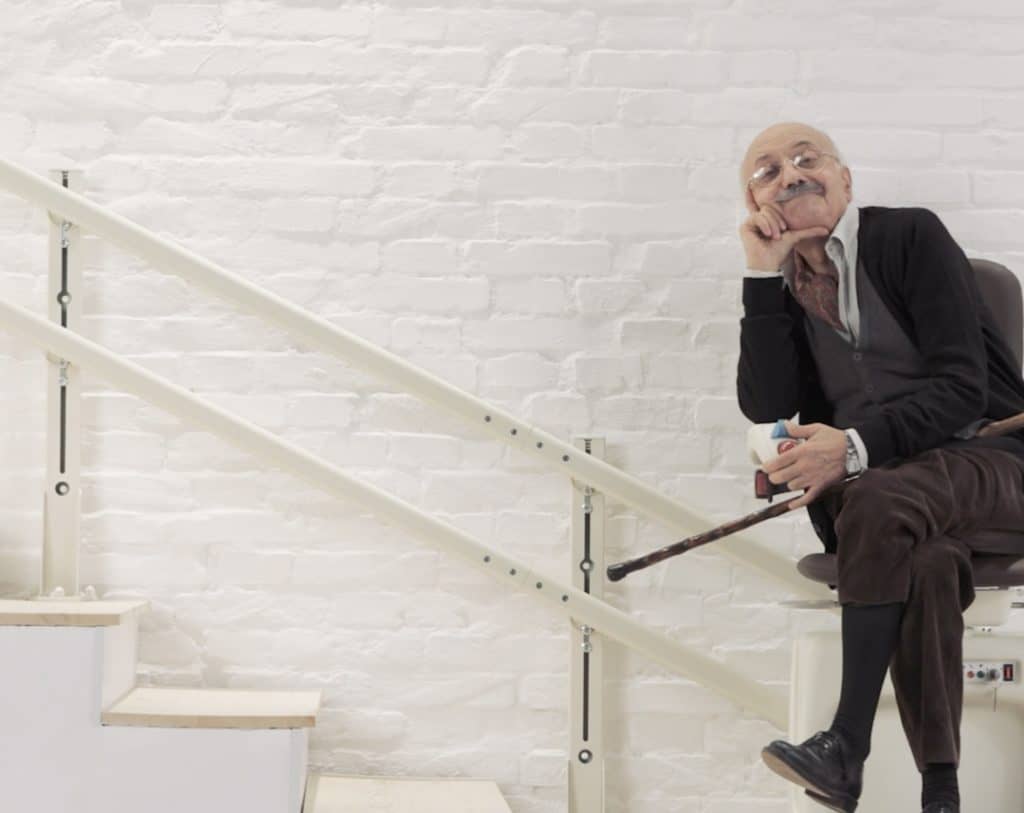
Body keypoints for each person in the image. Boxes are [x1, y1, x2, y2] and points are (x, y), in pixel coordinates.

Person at [735, 121, 1024, 813]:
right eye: (768, 171)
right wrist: (761, 275)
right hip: (884, 502)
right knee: (924, 561)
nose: (790, 174)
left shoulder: (910, 237)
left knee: (881, 500)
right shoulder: (785, 284)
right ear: (756, 204)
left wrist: (853, 448)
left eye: (806, 158)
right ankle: (941, 794)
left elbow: (963, 386)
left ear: (845, 178)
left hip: (990, 467)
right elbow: (767, 405)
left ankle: (845, 745)